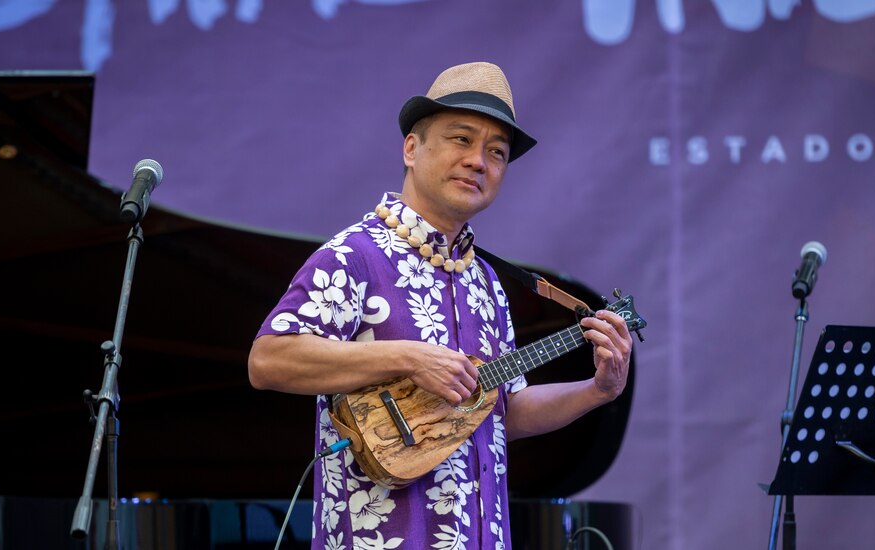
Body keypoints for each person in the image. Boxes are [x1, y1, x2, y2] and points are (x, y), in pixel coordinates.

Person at [248, 61, 634, 550]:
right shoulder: (355, 255)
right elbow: (268, 360)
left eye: (497, 152)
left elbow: (503, 411)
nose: (479, 160)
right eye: (461, 139)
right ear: (412, 147)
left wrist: (597, 390)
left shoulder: (488, 283)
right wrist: (408, 357)